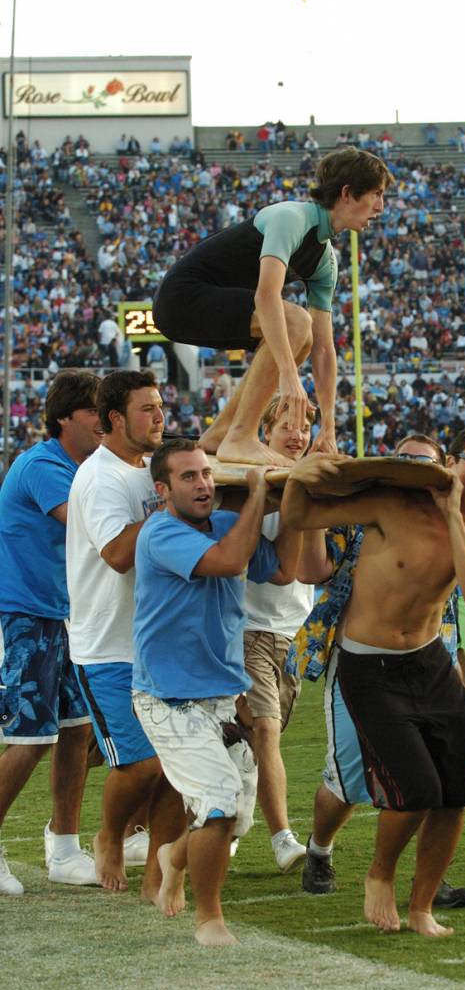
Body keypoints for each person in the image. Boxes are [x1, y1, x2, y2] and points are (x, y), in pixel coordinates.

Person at [281, 424, 465, 937]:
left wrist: (456, 514)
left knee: (457, 794)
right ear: (452, 462)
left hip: (430, 663)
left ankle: (421, 908)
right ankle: (378, 874)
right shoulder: (392, 506)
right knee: (417, 787)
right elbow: (298, 516)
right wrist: (301, 477)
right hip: (368, 665)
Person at [131, 439, 311, 946]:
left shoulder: (227, 524)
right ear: (163, 490)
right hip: (169, 699)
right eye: (189, 477)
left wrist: (296, 512)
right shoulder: (160, 532)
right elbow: (230, 562)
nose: (204, 483)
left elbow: (282, 571)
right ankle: (209, 918)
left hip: (221, 697)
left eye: (207, 473)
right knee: (219, 807)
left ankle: (172, 854)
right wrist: (259, 492)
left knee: (237, 819)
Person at [153, 148, 394, 466]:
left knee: (304, 334)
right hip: (181, 298)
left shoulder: (324, 260)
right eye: (376, 194)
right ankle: (241, 436)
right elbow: (266, 297)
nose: (381, 206)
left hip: (214, 306)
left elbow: (322, 349)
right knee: (295, 321)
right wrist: (288, 375)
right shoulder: (291, 218)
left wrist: (329, 428)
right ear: (347, 193)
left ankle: (221, 434)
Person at [66, 370, 185, 895]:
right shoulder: (99, 477)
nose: (160, 417)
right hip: (107, 645)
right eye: (147, 409)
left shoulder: (147, 470)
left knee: (178, 769)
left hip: (160, 644)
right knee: (141, 766)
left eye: (161, 407)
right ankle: (110, 835)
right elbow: (117, 554)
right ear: (115, 418)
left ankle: (159, 874)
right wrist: (169, 508)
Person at [0, 371, 102, 896]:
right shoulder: (44, 465)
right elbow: (85, 526)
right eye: (93, 412)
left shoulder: (79, 466)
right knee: (29, 736)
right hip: (28, 614)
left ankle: (64, 846)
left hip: (63, 614)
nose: (102, 422)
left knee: (76, 728)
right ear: (65, 417)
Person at [240, 398, 319, 872]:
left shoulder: (314, 481)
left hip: (291, 633)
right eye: (286, 425)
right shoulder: (246, 478)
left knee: (257, 737)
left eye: (305, 425)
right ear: (264, 430)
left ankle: (226, 819)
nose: (297, 434)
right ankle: (283, 838)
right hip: (248, 626)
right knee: (265, 729)